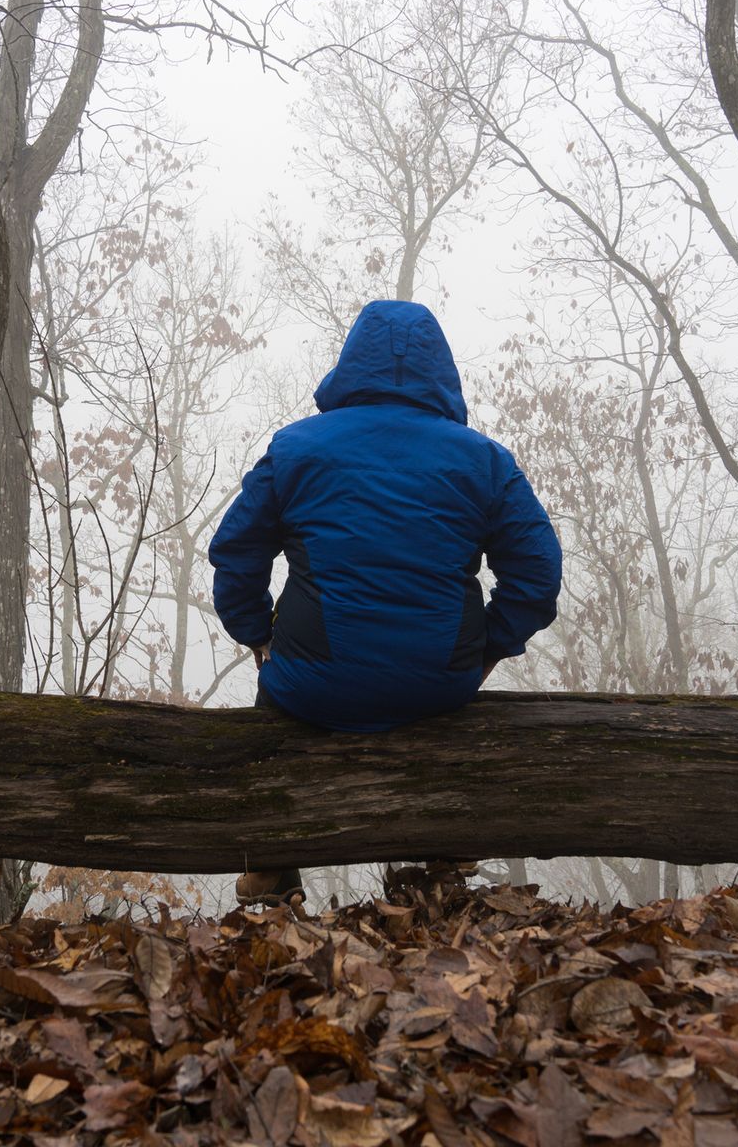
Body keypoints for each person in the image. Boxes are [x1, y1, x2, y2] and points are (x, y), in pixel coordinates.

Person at [209, 300, 563, 905]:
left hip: (310, 684)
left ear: (350, 365)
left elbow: (236, 553)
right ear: (441, 371)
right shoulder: (484, 459)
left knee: (276, 708)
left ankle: (274, 867)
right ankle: (445, 862)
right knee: (433, 718)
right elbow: (538, 574)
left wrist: (259, 639)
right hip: (440, 685)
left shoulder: (296, 448)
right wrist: (485, 652)